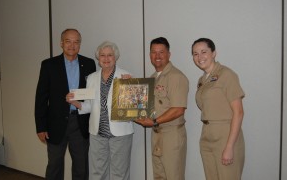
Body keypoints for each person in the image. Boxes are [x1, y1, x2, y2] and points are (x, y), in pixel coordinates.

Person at [66, 41, 134, 180]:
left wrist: (131, 87)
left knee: (119, 174)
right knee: (97, 173)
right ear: (98, 58)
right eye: (102, 55)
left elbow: (132, 108)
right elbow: (89, 107)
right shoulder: (91, 78)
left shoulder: (126, 76)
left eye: (110, 55)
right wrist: (76, 103)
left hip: (120, 133)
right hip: (97, 133)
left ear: (115, 58)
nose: (106, 58)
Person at [35, 28, 96, 180]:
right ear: (61, 43)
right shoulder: (49, 65)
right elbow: (41, 98)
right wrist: (41, 127)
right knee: (54, 166)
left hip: (80, 122)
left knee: (81, 167)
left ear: (80, 45)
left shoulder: (89, 64)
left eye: (76, 42)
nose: (72, 45)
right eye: (68, 41)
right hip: (55, 123)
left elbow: (95, 92)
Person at [135, 37, 189, 180]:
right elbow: (144, 105)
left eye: (161, 52)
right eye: (153, 52)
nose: (157, 56)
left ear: (169, 55)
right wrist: (129, 86)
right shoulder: (153, 78)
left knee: (173, 176)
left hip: (172, 135)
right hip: (157, 134)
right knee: (159, 176)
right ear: (150, 55)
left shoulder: (176, 77)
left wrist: (153, 121)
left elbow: (178, 109)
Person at [191, 38, 245, 180]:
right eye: (195, 54)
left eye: (204, 52)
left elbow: (238, 112)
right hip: (207, 134)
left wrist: (229, 147)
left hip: (225, 135)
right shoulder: (202, 81)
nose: (199, 57)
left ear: (214, 53)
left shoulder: (227, 75)